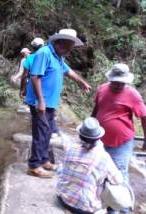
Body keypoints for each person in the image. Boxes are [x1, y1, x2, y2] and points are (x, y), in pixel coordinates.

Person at [92, 63, 146, 214]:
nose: (118, 85)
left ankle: (122, 208)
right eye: (115, 82)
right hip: (100, 139)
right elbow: (97, 109)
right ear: (110, 79)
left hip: (122, 142)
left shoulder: (133, 95)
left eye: (122, 82)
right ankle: (102, 202)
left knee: (119, 174)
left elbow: (145, 117)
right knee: (100, 170)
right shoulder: (102, 89)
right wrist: (90, 127)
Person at [25, 28, 91, 178]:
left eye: (71, 48)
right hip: (41, 102)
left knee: (47, 132)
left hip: (50, 103)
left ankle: (44, 160)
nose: (69, 51)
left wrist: (82, 83)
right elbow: (35, 77)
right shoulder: (44, 53)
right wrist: (40, 101)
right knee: (41, 133)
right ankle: (34, 166)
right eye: (68, 47)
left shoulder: (58, 57)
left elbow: (68, 72)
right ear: (60, 42)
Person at [56, 117, 123, 214]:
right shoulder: (103, 157)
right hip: (85, 208)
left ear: (80, 135)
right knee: (111, 183)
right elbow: (118, 180)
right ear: (98, 138)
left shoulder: (70, 147)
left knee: (63, 168)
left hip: (63, 199)